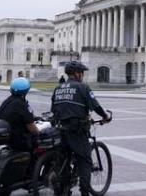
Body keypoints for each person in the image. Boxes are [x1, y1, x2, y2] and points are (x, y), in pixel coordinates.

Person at [51, 61, 111, 196]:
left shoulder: (58, 88)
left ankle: (62, 190)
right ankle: (85, 191)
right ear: (77, 73)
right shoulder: (83, 87)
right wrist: (105, 116)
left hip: (61, 130)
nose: (82, 75)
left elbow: (53, 109)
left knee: (64, 161)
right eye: (81, 73)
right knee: (85, 161)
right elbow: (95, 106)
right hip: (77, 130)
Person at [0, 77, 40, 152]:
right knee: (41, 141)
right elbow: (31, 127)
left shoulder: (6, 102)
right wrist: (39, 133)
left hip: (7, 137)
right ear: (26, 91)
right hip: (18, 140)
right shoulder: (22, 104)